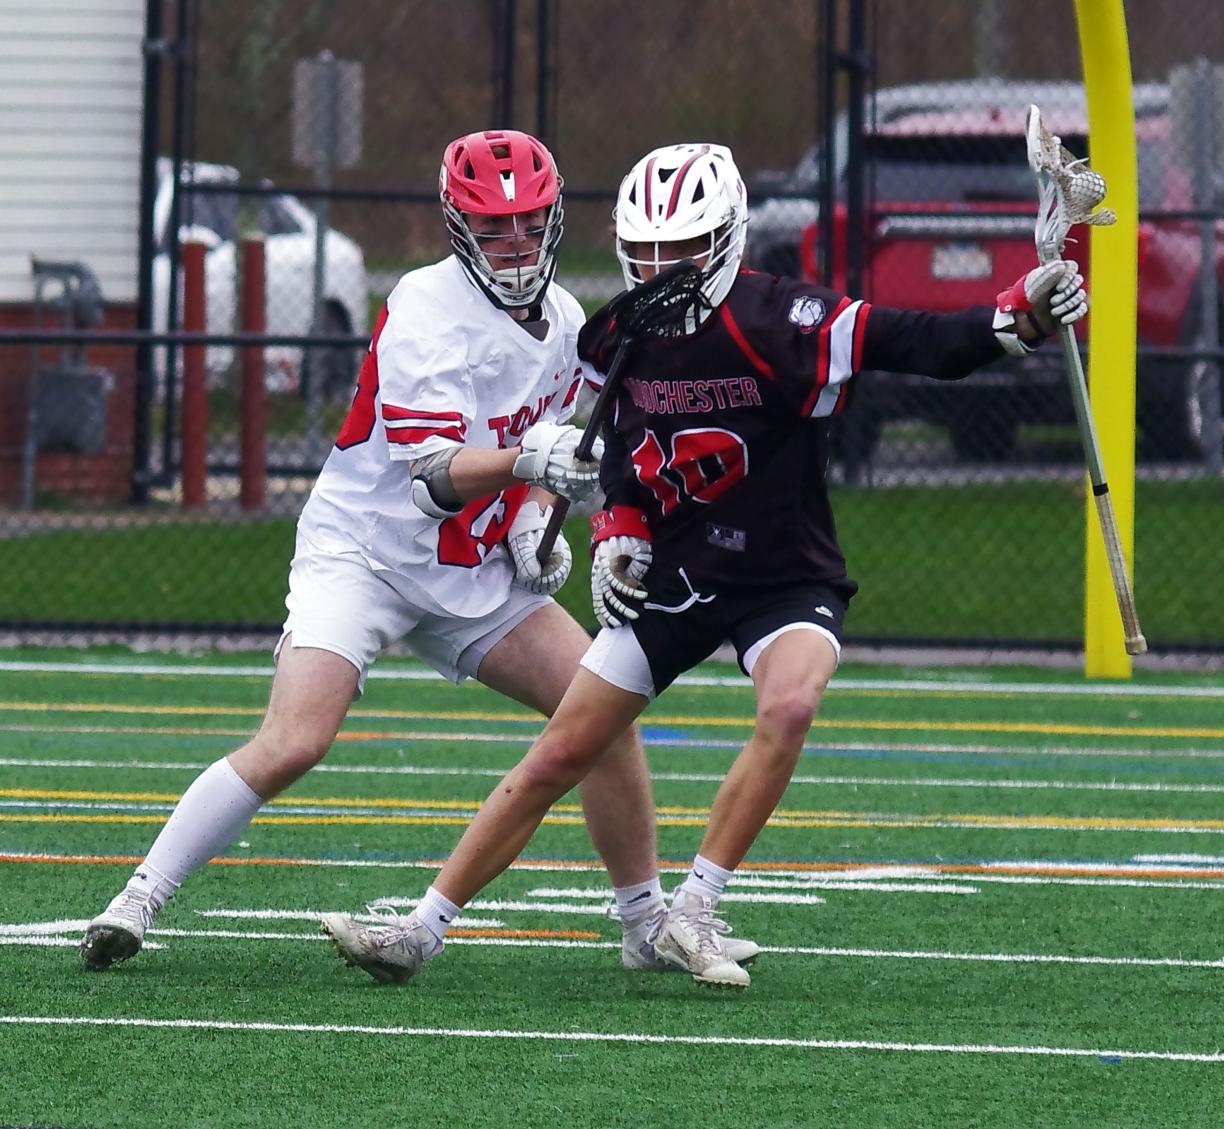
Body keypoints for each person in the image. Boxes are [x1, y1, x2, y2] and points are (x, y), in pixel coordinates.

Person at [320, 141, 1088, 989]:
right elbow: (614, 447)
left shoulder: (781, 321)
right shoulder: (616, 333)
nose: (659, 268)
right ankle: (421, 931)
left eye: (680, 250)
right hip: (677, 576)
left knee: (790, 702)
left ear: (724, 241)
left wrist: (1014, 316)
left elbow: (921, 340)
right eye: (645, 250)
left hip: (783, 572)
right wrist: (616, 526)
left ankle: (692, 909)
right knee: (562, 749)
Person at [80, 130, 755, 978]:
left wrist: (534, 508)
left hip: (472, 568)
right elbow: (434, 478)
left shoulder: (572, 322)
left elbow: (560, 448)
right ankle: (138, 896)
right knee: (296, 737)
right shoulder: (425, 306)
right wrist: (525, 467)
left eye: (529, 222)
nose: (515, 243)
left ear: (554, 220)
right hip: (365, 553)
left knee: (601, 708)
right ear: (457, 226)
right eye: (494, 226)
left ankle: (644, 922)